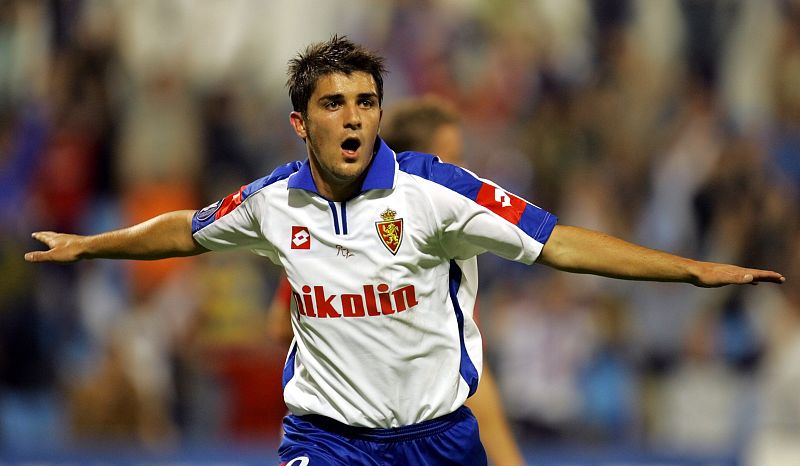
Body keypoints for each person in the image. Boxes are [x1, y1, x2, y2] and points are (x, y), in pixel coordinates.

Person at [25, 36, 784, 466]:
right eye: (334, 104)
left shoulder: (434, 192)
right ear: (301, 124)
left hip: (436, 440)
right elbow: (183, 229)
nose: (354, 118)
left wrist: (688, 269)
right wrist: (90, 246)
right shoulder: (272, 201)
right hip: (324, 440)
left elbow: (558, 244)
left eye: (365, 102)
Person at [265, 94, 526, 466]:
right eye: (451, 158)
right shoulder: (348, 237)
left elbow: (278, 327)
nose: (466, 170)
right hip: (348, 434)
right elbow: (280, 327)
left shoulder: (340, 230)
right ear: (417, 167)